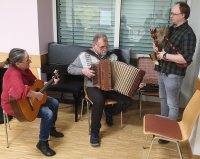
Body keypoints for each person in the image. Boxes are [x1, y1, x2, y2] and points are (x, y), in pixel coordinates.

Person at [68, 33, 132, 147]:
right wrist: (83, 71)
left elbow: (120, 73)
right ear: (94, 45)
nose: (105, 49)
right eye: (102, 47)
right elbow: (70, 68)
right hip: (92, 87)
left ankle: (109, 112)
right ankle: (94, 133)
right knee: (99, 101)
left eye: (106, 46)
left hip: (110, 87)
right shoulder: (84, 55)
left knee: (128, 100)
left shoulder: (112, 56)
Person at [1, 48, 64, 156]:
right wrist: (35, 94)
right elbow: (19, 92)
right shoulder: (12, 74)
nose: (30, 61)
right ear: (18, 63)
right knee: (47, 113)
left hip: (27, 98)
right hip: (15, 106)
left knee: (54, 102)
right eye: (27, 60)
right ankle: (42, 143)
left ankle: (51, 128)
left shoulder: (24, 69)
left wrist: (50, 82)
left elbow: (35, 82)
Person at [154, 2, 196, 144]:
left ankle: (167, 134)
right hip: (163, 71)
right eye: (171, 13)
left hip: (174, 74)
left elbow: (185, 58)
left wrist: (164, 56)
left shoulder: (189, 34)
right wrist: (158, 47)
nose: (171, 16)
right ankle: (162, 128)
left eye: (174, 14)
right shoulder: (171, 29)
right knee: (163, 100)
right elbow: (165, 48)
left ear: (183, 15)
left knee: (172, 105)